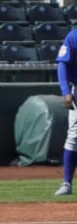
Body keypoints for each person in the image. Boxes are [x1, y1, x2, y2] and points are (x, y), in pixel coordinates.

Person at [55, 29, 77, 196]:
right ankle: (67, 182)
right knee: (74, 136)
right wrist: (65, 91)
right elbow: (63, 63)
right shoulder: (74, 35)